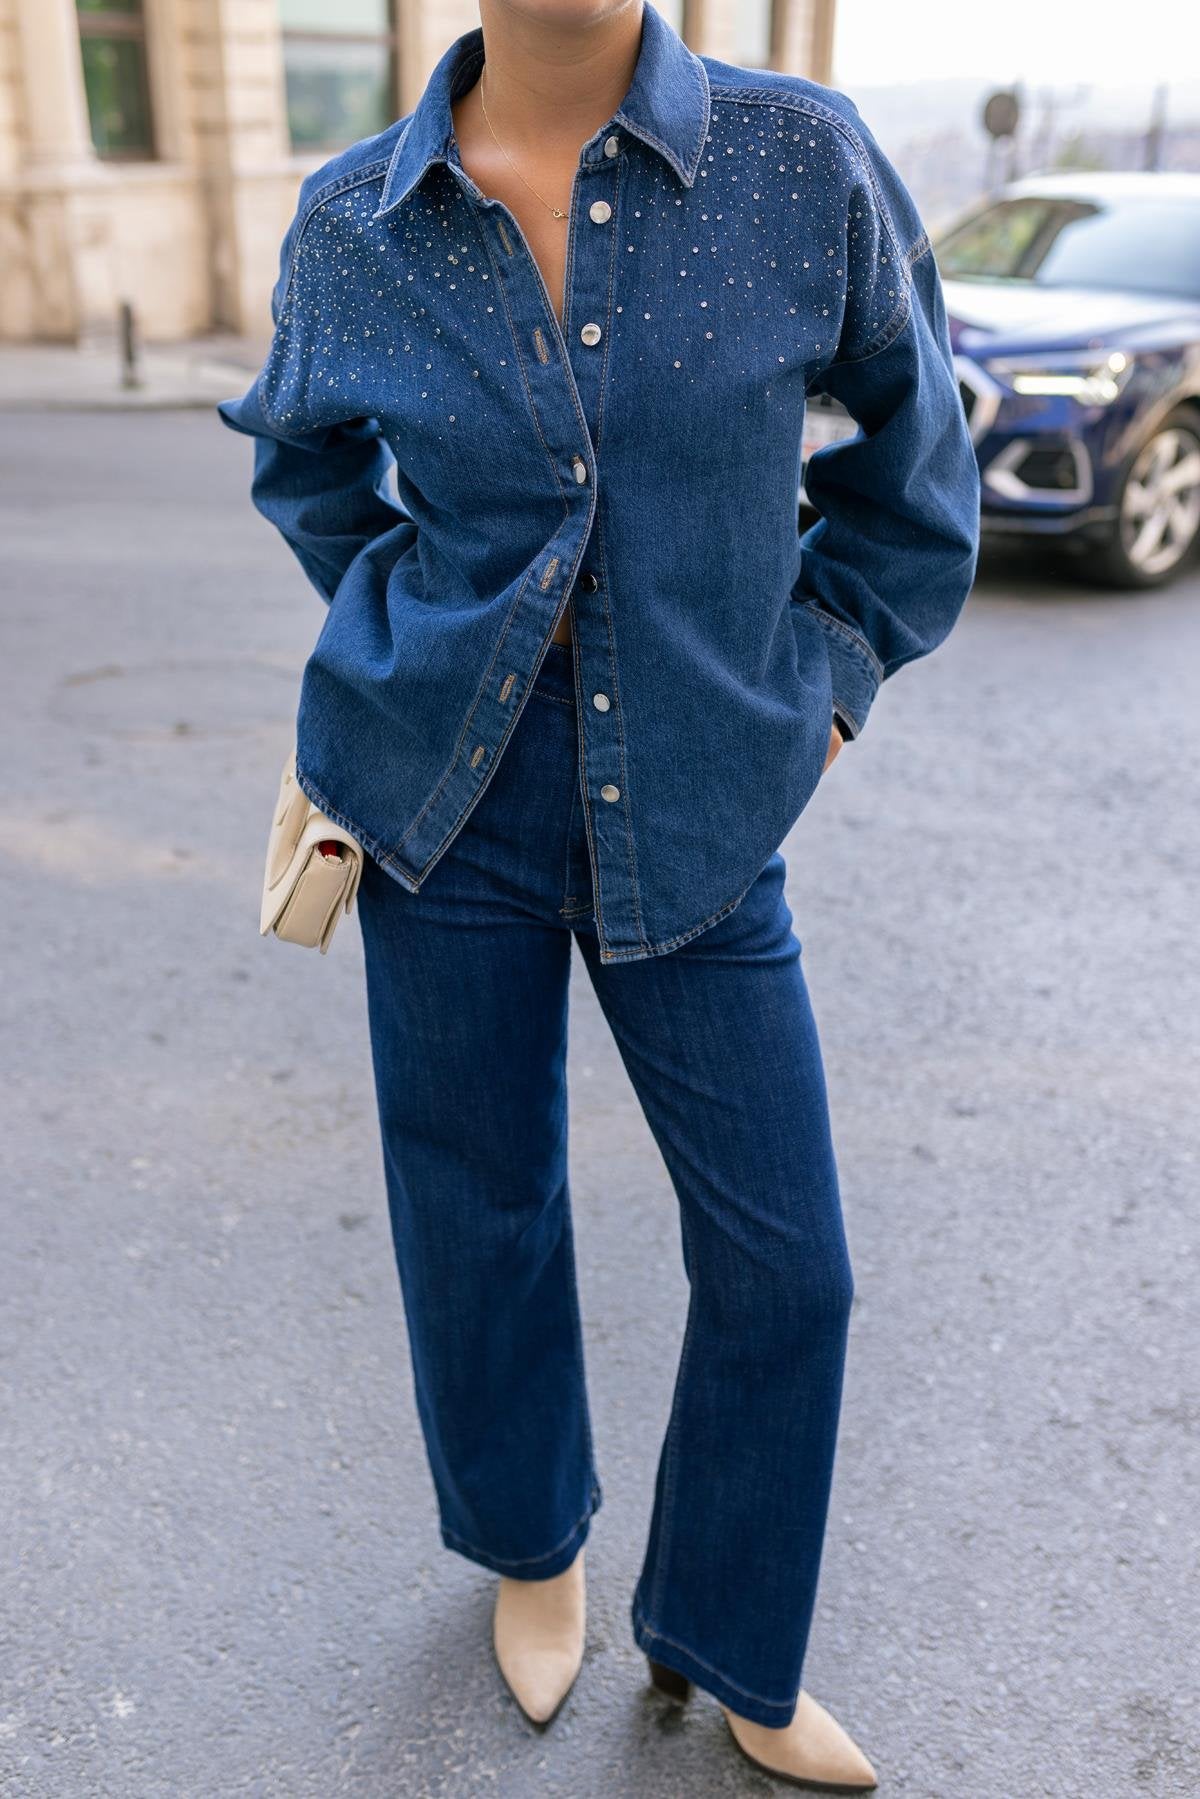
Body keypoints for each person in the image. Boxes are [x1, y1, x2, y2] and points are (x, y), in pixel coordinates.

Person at [218, 0, 980, 1787]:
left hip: (703, 795)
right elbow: (300, 460)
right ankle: (531, 1548)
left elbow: (917, 461)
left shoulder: (802, 163)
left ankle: (732, 1636)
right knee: (475, 1202)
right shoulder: (357, 218)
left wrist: (830, 675)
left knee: (790, 1262)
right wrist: (405, 631)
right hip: (441, 793)